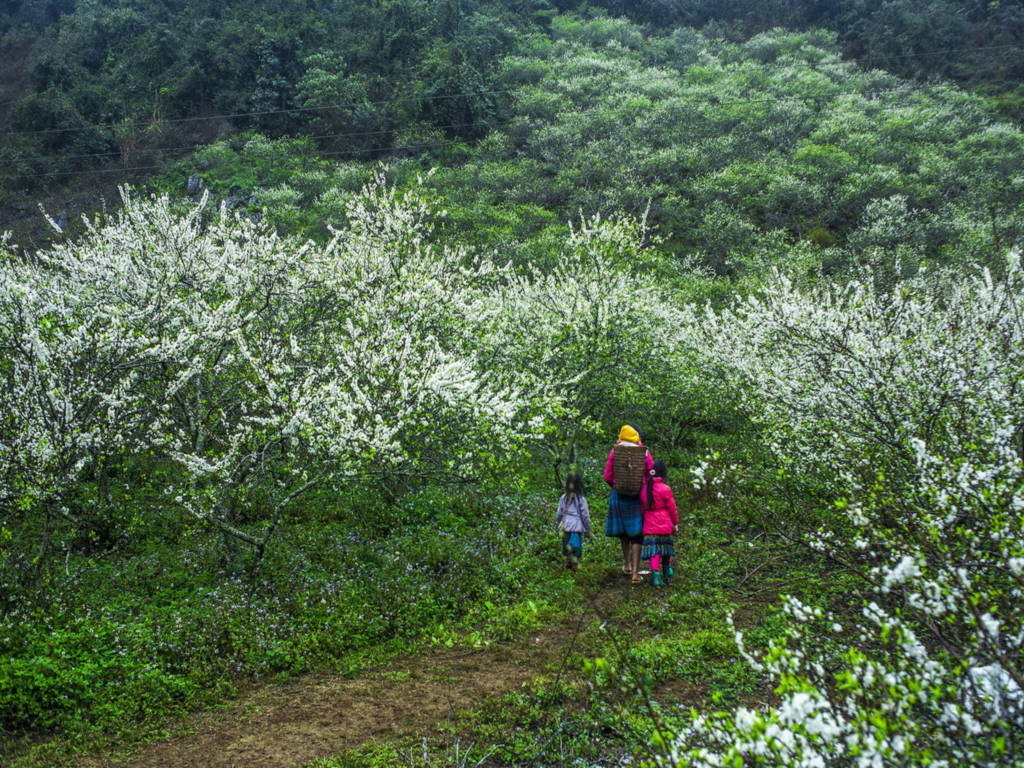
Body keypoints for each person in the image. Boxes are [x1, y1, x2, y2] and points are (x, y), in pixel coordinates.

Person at [603, 423, 654, 584]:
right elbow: (651, 473)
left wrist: (617, 487)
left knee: (624, 533)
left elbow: (607, 476)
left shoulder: (615, 452)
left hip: (619, 497)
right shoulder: (644, 452)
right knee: (637, 535)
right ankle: (635, 572)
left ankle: (626, 564)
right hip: (638, 498)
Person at [640, 459, 678, 587]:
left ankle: (656, 577)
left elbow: (642, 507)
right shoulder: (665, 488)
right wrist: (675, 523)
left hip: (650, 524)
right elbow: (672, 508)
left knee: (654, 552)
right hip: (664, 524)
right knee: (666, 549)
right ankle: (667, 572)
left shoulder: (645, 489)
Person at [556, 471, 591, 570]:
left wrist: (558, 523)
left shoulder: (563, 498)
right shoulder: (581, 499)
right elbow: (585, 515)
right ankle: (574, 565)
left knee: (566, 546)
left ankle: (568, 562)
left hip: (565, 526)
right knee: (576, 547)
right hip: (576, 526)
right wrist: (587, 528)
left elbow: (559, 513)